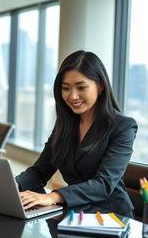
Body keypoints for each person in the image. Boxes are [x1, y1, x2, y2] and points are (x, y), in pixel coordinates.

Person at [15, 50, 138, 217]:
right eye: (65, 88)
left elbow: (104, 184)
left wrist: (53, 196)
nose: (72, 96)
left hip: (111, 218)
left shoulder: (123, 126)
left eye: (81, 87)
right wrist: (14, 185)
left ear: (100, 86)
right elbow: (40, 171)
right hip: (74, 214)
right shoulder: (65, 124)